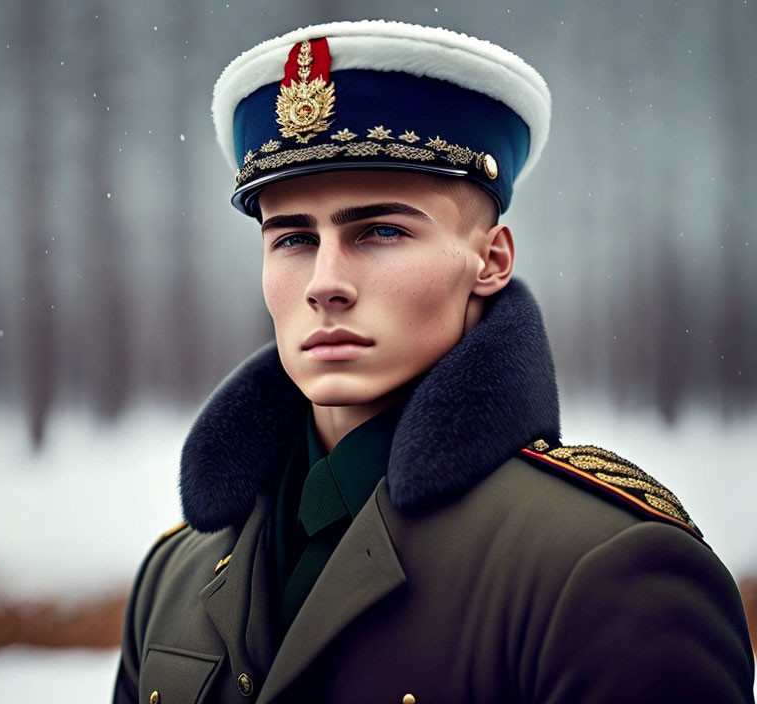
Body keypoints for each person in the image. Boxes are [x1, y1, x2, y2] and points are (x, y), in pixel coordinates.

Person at [113, 20, 755, 704]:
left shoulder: (601, 572)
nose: (324, 281)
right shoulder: (173, 576)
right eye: (294, 239)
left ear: (492, 259)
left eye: (381, 231)